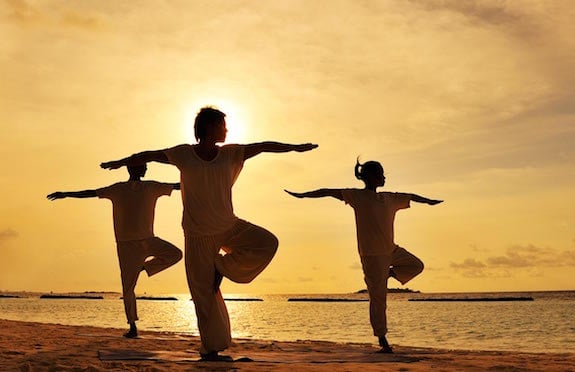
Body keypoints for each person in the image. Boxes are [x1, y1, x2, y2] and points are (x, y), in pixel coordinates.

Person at [100, 106, 318, 361]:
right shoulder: (184, 154)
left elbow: (263, 145)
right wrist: (120, 163)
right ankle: (211, 348)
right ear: (209, 127)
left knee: (267, 242)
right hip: (197, 233)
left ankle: (222, 266)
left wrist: (293, 147)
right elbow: (148, 154)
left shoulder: (231, 153)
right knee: (203, 295)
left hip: (229, 226)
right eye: (222, 124)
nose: (226, 129)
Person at [285, 159, 442, 353]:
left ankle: (389, 274)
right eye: (380, 174)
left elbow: (412, 196)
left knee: (416, 265)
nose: (384, 177)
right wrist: (303, 195)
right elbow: (327, 191)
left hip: (391, 250)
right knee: (378, 298)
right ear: (369, 176)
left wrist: (429, 201)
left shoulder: (390, 198)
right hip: (372, 255)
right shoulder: (357, 196)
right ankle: (382, 338)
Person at [47, 164, 183, 339]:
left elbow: (178, 186)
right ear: (136, 170)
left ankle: (145, 268)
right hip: (126, 245)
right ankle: (133, 326)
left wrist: (202, 181)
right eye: (144, 166)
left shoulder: (151, 186)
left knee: (175, 254)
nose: (146, 169)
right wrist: (66, 194)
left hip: (148, 240)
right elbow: (91, 192)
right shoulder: (119, 189)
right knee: (128, 287)